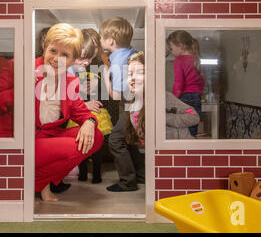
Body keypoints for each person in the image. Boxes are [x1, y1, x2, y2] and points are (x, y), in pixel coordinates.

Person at [0, 23, 104, 202]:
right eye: (53, 50)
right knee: (71, 147)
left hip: (47, 138)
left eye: (65, 55)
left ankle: (33, 182)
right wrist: (19, 93)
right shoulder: (19, 67)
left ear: (73, 60)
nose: (56, 59)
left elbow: (81, 112)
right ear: (45, 47)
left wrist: (89, 122)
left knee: (96, 136)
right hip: (20, 140)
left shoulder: (70, 81)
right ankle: (40, 186)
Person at [99, 17, 142, 192]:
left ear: (110, 41)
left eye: (101, 37)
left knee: (116, 140)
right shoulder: (132, 52)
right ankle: (140, 175)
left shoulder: (116, 63)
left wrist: (104, 73)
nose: (100, 40)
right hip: (138, 102)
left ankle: (127, 181)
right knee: (129, 140)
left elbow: (116, 95)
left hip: (129, 104)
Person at [124, 52, 200, 149]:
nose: (133, 78)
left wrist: (163, 118)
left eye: (141, 73)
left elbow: (193, 116)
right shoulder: (132, 104)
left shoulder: (163, 98)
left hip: (181, 153)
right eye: (130, 74)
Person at [67, 28, 114, 183]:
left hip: (92, 110)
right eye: (83, 58)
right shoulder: (64, 68)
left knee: (95, 144)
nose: (87, 62)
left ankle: (95, 175)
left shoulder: (87, 68)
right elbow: (62, 98)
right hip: (79, 112)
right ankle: (82, 174)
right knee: (82, 145)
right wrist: (83, 103)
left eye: (90, 59)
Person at [166, 30, 205, 137]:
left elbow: (179, 83)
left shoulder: (179, 60)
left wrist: (173, 99)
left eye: (171, 48)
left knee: (183, 126)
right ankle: (192, 144)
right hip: (196, 97)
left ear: (181, 46)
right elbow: (202, 81)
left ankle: (183, 148)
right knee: (193, 122)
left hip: (185, 98)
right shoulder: (196, 59)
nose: (171, 51)